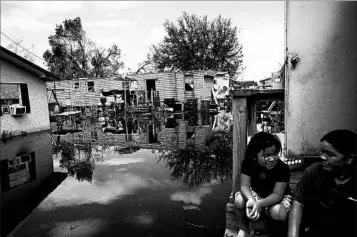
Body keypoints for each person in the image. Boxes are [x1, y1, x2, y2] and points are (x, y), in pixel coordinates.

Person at [288, 129, 356, 237]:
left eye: (330, 154)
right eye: (322, 152)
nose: (322, 157)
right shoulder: (313, 173)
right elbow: (298, 204)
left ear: (349, 159)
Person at [235, 132, 292, 237]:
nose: (272, 158)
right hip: (257, 194)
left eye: (274, 154)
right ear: (255, 155)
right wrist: (251, 200)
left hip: (276, 199)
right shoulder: (248, 163)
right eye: (266, 155)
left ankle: (277, 232)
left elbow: (277, 194)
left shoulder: (282, 168)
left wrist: (260, 204)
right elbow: (245, 186)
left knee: (277, 212)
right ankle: (243, 229)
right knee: (239, 200)